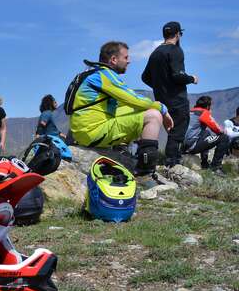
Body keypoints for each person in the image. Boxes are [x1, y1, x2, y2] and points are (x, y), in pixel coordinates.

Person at [69, 41, 173, 177]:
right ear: (113, 59)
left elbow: (125, 103)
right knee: (153, 115)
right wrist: (162, 108)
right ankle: (145, 171)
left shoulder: (94, 73)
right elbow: (134, 99)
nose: (129, 61)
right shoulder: (105, 75)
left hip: (85, 129)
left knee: (143, 110)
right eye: (126, 57)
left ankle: (121, 149)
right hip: (92, 131)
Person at [142, 21, 198, 167]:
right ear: (178, 34)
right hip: (177, 99)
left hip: (161, 100)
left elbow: (145, 77)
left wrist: (160, 87)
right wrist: (192, 78)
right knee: (177, 132)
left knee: (171, 131)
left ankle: (168, 162)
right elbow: (178, 76)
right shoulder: (175, 51)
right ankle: (172, 164)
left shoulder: (155, 53)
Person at [184, 96, 229, 173]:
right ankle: (216, 167)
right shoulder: (204, 113)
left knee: (206, 133)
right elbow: (217, 129)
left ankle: (204, 163)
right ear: (208, 106)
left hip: (182, 146)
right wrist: (223, 131)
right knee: (224, 138)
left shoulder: (190, 111)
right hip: (192, 146)